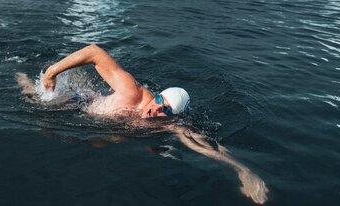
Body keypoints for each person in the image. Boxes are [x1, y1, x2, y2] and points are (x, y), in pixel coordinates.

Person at [16, 43, 268, 204]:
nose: (155, 108)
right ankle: (24, 78)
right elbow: (94, 51)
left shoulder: (168, 125)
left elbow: (204, 146)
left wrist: (243, 170)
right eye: (159, 100)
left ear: (173, 115)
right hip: (78, 103)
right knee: (39, 100)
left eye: (165, 109)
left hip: (94, 127)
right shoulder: (132, 91)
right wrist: (52, 72)